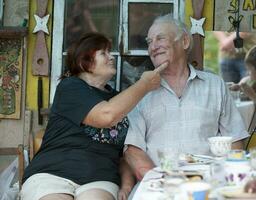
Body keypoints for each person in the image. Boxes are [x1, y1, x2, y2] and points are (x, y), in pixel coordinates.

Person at [20, 32, 167, 200]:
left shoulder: (120, 100)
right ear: (85, 60)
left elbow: (125, 151)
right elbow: (105, 115)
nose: (111, 57)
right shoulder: (70, 87)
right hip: (52, 174)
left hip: (99, 179)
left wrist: (126, 185)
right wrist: (144, 84)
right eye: (104, 53)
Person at [124, 15, 249, 182]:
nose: (153, 47)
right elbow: (133, 150)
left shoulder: (214, 85)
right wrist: (161, 182)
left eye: (160, 38)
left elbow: (235, 141)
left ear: (184, 42)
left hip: (208, 183)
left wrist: (225, 181)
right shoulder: (140, 91)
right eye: (149, 42)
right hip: (158, 186)